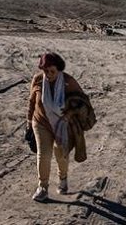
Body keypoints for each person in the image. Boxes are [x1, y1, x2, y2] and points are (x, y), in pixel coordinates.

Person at [26, 52, 85, 202]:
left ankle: (63, 178)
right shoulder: (38, 80)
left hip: (62, 124)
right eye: (45, 71)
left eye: (52, 71)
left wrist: (71, 115)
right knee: (44, 154)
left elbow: (82, 101)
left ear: (59, 69)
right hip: (41, 122)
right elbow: (32, 102)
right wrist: (28, 123)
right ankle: (42, 187)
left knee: (61, 154)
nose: (48, 74)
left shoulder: (68, 81)